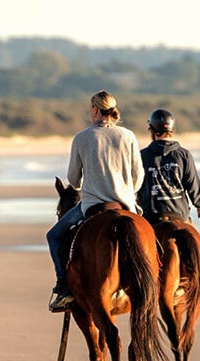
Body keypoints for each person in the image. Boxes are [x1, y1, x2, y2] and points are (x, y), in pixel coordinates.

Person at [46, 91, 144, 312]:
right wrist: (126, 190)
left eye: (91, 108)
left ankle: (64, 287)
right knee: (151, 238)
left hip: (92, 206)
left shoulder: (82, 138)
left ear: (95, 109)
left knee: (53, 237)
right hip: (126, 205)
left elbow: (73, 180)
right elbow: (138, 178)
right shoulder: (128, 135)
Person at [136, 109, 200, 224]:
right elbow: (192, 184)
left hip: (151, 216)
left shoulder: (142, 155)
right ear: (172, 129)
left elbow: (137, 186)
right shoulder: (184, 154)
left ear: (152, 130)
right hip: (180, 214)